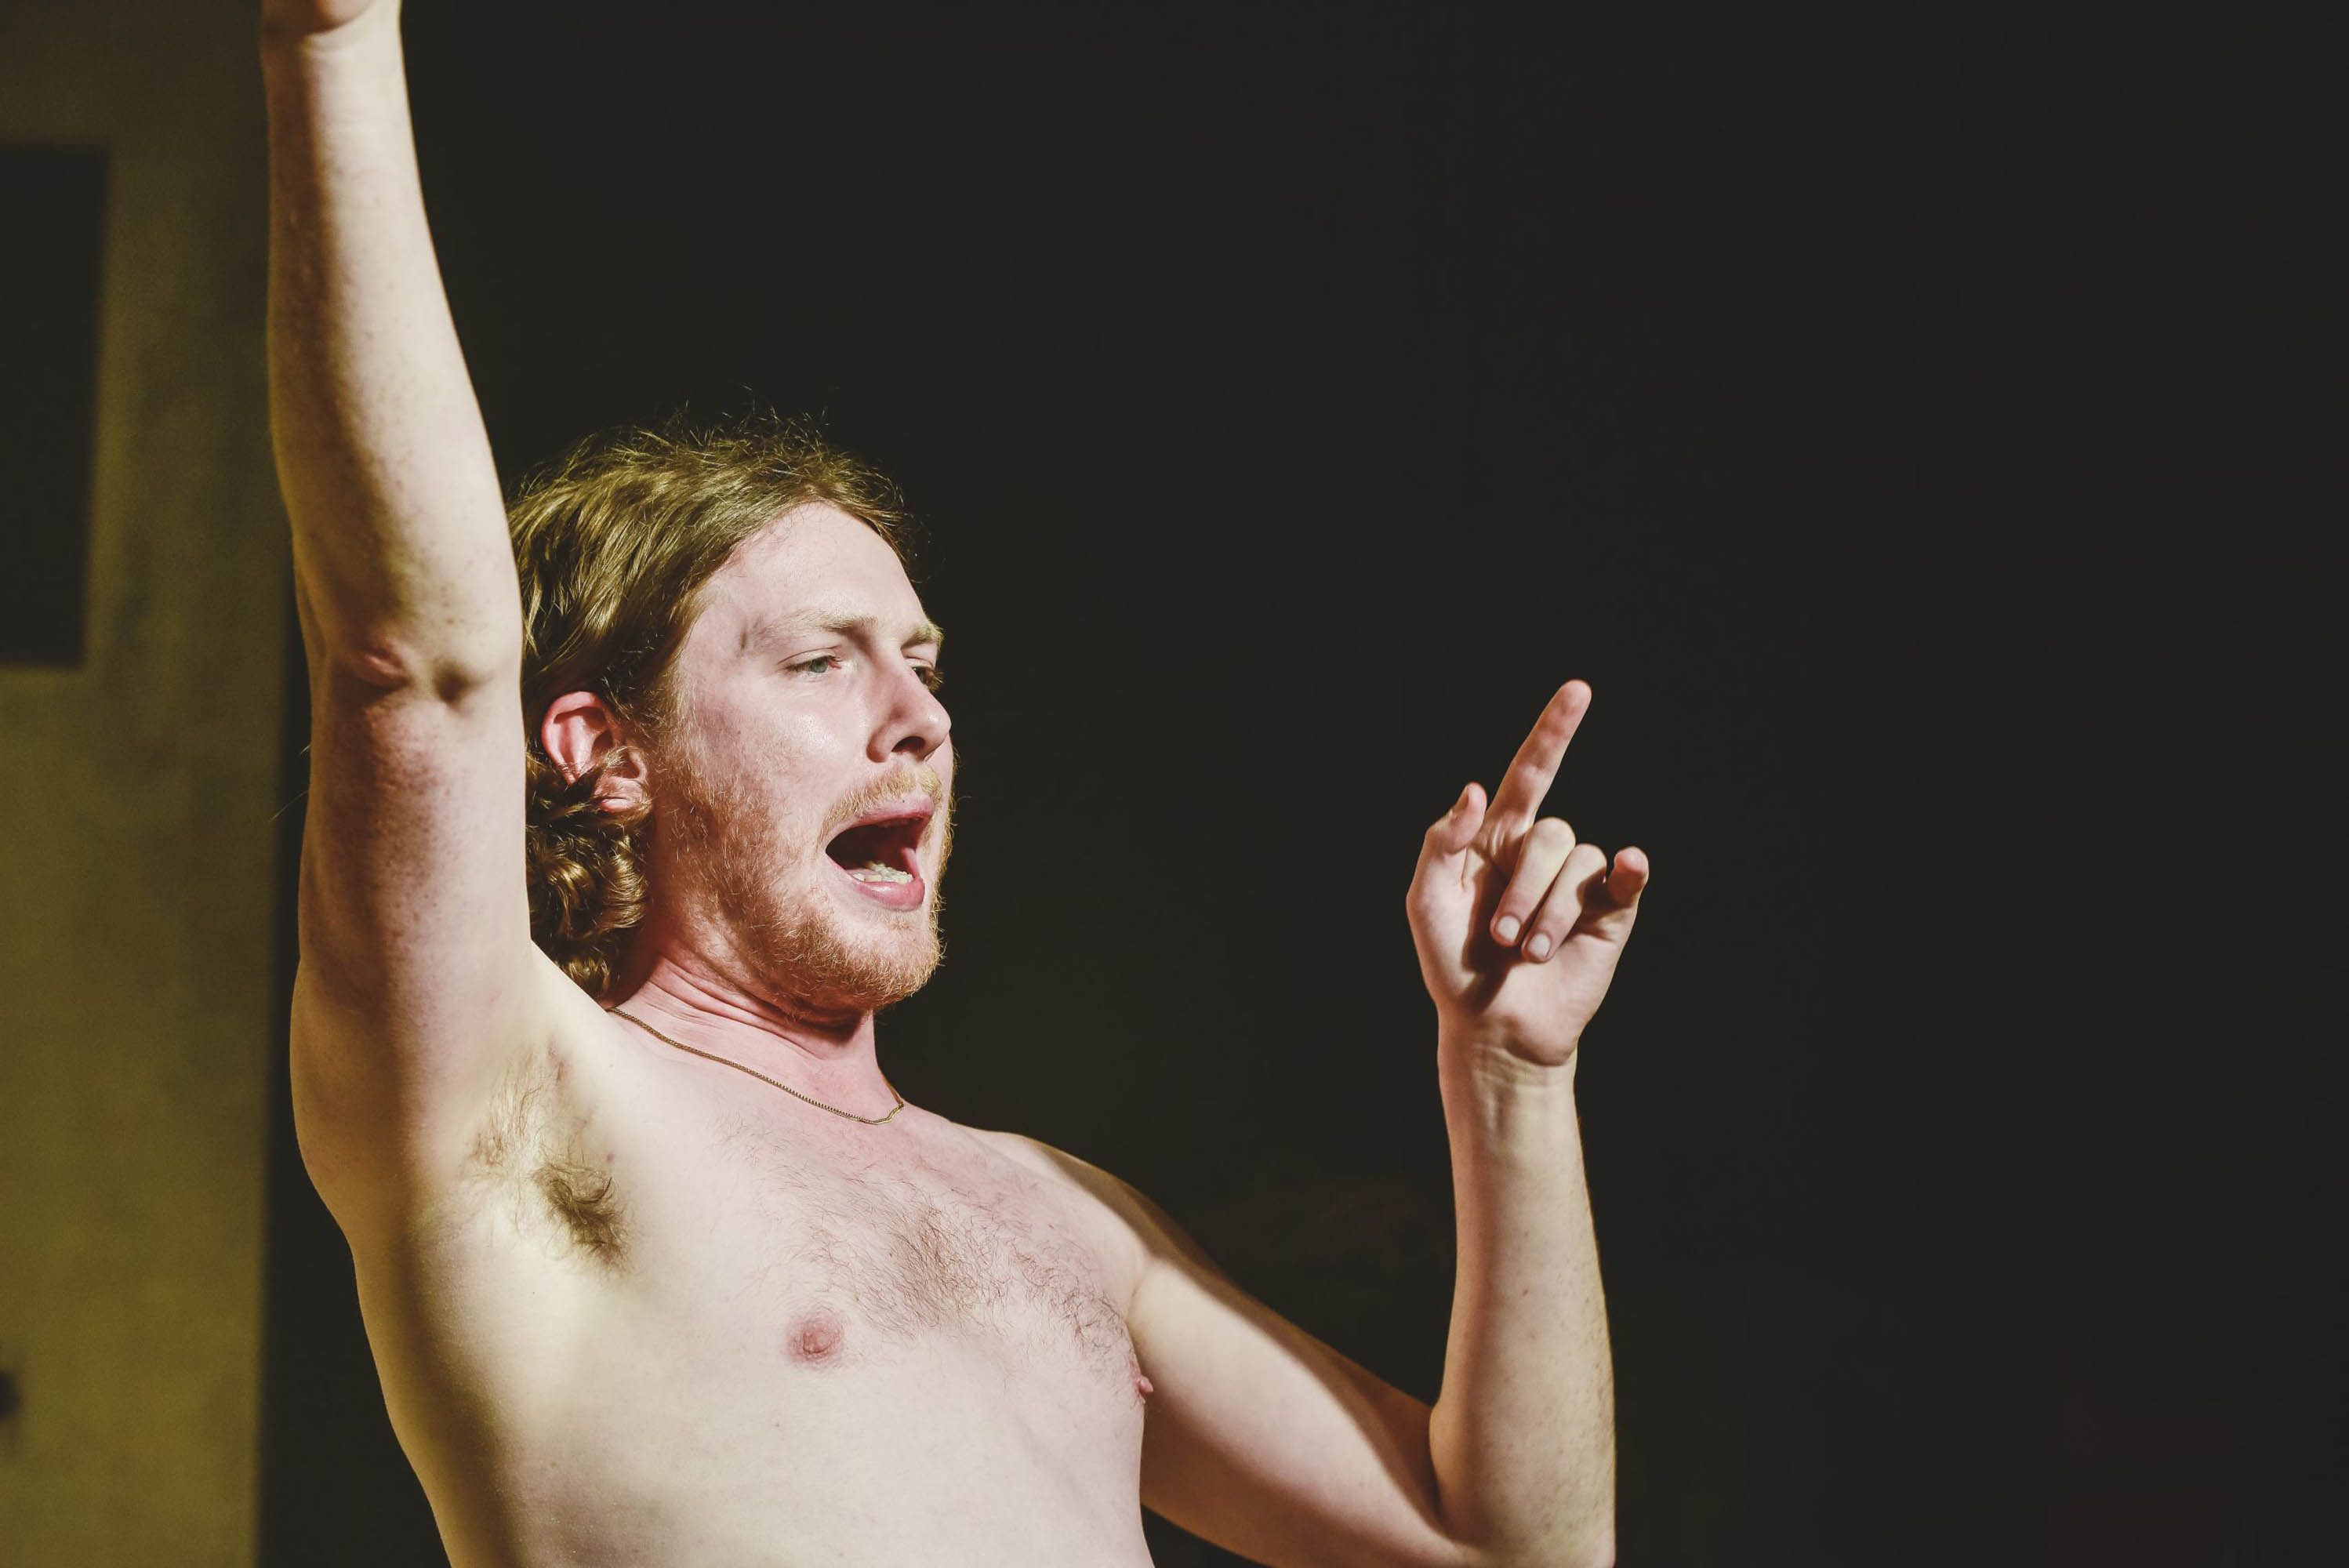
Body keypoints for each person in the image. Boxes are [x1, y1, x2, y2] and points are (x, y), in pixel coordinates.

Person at [260, 2, 1650, 1563]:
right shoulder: (521, 1097)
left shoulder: (1069, 1217)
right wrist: (334, 44)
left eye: (923, 663)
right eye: (819, 661)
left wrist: (1511, 1077)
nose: (918, 716)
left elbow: (1512, 1551)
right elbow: (411, 667)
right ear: (603, 750)